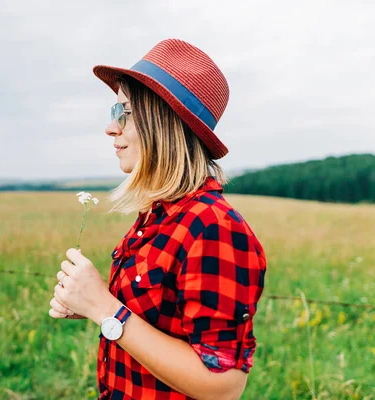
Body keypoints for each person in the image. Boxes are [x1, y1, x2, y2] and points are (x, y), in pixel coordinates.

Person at [48, 38, 267, 400]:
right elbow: (152, 321)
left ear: (162, 122)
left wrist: (106, 309)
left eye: (124, 112)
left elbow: (223, 385)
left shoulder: (212, 227)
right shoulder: (159, 215)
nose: (111, 128)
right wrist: (91, 303)